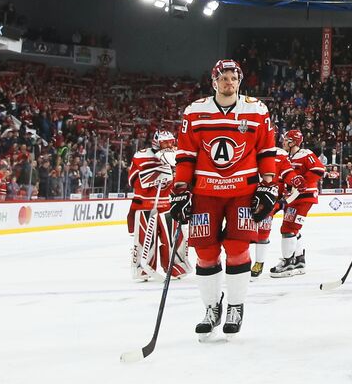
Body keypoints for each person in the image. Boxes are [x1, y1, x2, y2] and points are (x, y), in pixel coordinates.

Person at [169, 59, 284, 338]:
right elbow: (186, 156)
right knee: (206, 253)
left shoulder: (257, 110)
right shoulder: (195, 112)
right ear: (214, 81)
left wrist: (268, 186)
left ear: (239, 80)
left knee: (237, 249)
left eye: (233, 78)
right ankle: (211, 307)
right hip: (205, 192)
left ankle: (235, 306)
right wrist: (180, 190)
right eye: (223, 78)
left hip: (242, 192)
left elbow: (267, 151)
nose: (228, 83)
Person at [128, 130, 188, 282]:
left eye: (171, 142)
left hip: (168, 204)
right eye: (165, 142)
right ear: (156, 142)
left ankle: (175, 266)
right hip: (146, 204)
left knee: (174, 239)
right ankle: (142, 267)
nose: (169, 145)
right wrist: (161, 172)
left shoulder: (178, 155)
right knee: (145, 239)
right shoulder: (141, 156)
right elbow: (133, 180)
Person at [269, 129, 325, 277]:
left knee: (288, 228)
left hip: (303, 196)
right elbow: (282, 179)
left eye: (286, 139)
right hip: (292, 198)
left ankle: (288, 263)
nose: (283, 142)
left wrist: (301, 183)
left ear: (293, 141)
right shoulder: (286, 158)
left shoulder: (305, 154)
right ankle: (299, 260)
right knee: (293, 229)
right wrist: (277, 197)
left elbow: (319, 169)